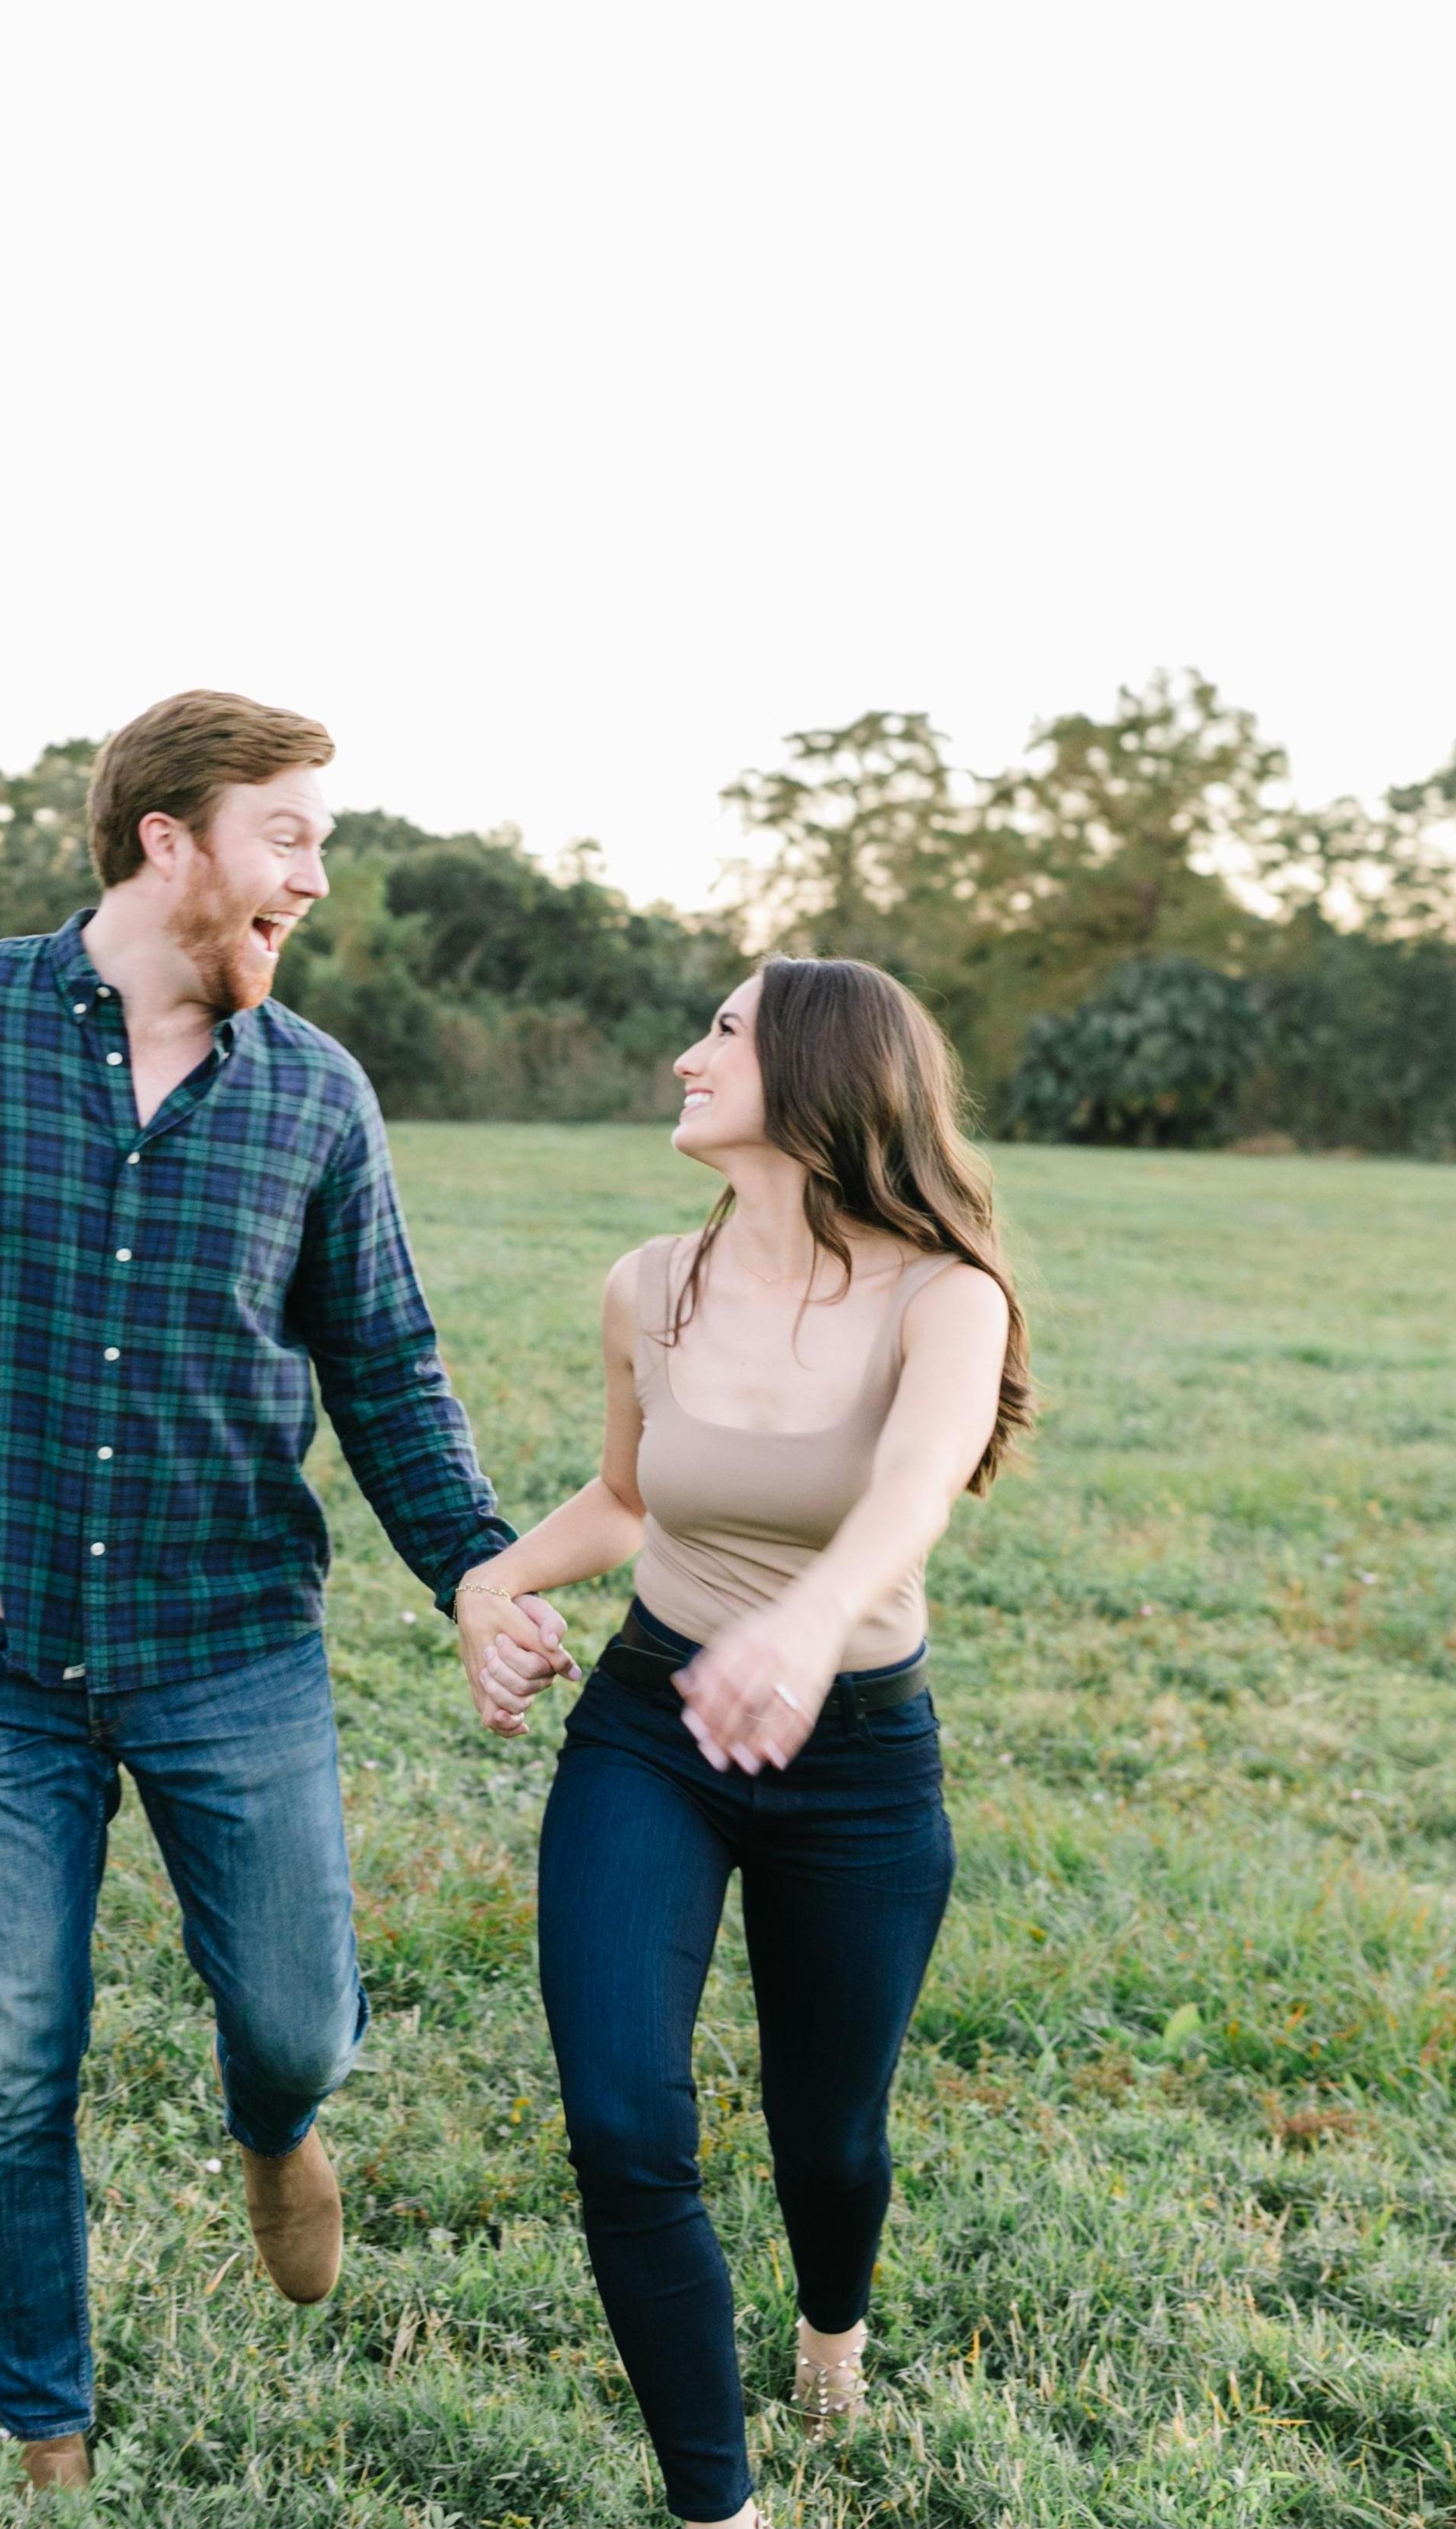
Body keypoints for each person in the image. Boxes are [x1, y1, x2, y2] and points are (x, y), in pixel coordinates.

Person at [0, 690, 570, 2492]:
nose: (316, 871)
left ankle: (274, 2127)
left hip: (231, 1647)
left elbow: (386, 1366)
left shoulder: (314, 1092)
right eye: (287, 832)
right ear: (173, 842)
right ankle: (50, 2450)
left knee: (297, 2015)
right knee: (8, 2067)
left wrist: (471, 1571)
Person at [453, 958, 1032, 2529]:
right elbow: (630, 1500)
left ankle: (830, 2325)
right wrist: (495, 1576)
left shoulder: (946, 1296)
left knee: (827, 2134)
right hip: (653, 1729)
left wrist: (808, 1619)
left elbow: (915, 1493)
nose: (686, 1059)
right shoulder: (651, 1285)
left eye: (723, 1032)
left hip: (852, 1757)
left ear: (824, 1072)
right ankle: (721, 2508)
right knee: (624, 2122)